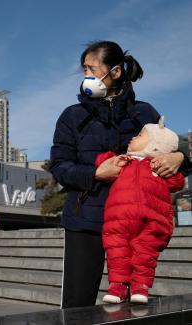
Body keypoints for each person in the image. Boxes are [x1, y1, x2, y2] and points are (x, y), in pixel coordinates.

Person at [49, 41, 192, 309]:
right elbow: (59, 166)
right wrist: (96, 173)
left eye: (92, 69)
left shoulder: (145, 112)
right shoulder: (72, 116)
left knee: (131, 304)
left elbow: (170, 147)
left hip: (137, 223)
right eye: (84, 70)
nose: (86, 77)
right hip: (85, 220)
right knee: (77, 305)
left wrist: (180, 158)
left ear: (115, 72)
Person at [95, 120, 185, 304]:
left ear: (156, 145)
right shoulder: (123, 161)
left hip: (153, 221)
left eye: (140, 135)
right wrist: (112, 159)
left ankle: (140, 286)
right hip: (118, 218)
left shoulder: (158, 166)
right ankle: (117, 285)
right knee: (116, 252)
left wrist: (170, 163)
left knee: (145, 254)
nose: (133, 138)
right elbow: (102, 161)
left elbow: (177, 183)